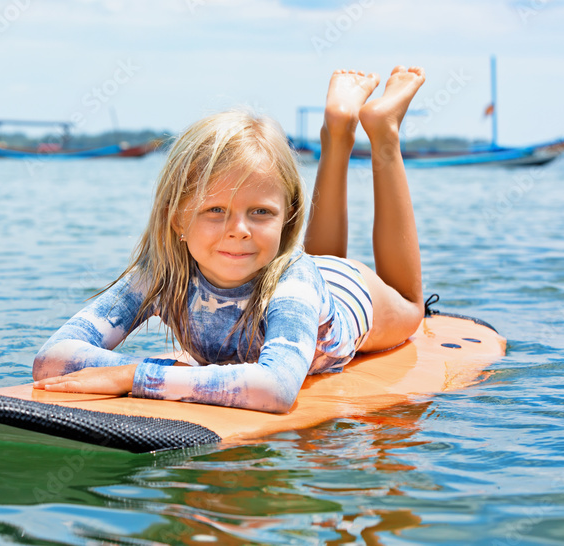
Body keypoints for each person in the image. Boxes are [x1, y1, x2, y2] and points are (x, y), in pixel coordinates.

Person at [32, 66, 427, 413]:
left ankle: (383, 132)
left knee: (411, 307)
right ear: (177, 220)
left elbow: (277, 388)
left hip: (349, 295)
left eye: (261, 212)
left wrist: (137, 376)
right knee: (306, 261)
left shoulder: (296, 281)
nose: (238, 229)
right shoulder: (161, 272)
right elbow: (51, 359)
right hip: (300, 277)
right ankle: (339, 129)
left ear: (287, 220)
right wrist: (173, 374)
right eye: (215, 211)